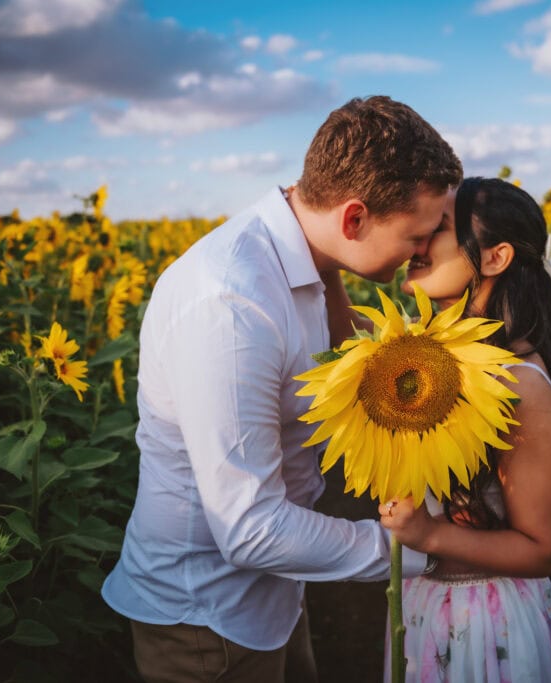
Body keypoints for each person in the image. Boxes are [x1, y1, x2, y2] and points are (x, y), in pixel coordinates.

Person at [101, 95, 462, 683]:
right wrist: (420, 551)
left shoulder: (309, 264)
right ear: (354, 219)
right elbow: (250, 528)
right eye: (416, 234)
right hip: (206, 621)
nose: (422, 249)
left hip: (275, 593)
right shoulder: (232, 303)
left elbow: (346, 374)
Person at [378, 177, 551, 682]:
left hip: (490, 626)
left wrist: (428, 533)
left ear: (495, 257)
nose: (418, 240)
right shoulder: (431, 358)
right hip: (426, 611)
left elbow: (542, 549)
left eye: (438, 227)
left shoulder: (520, 385)